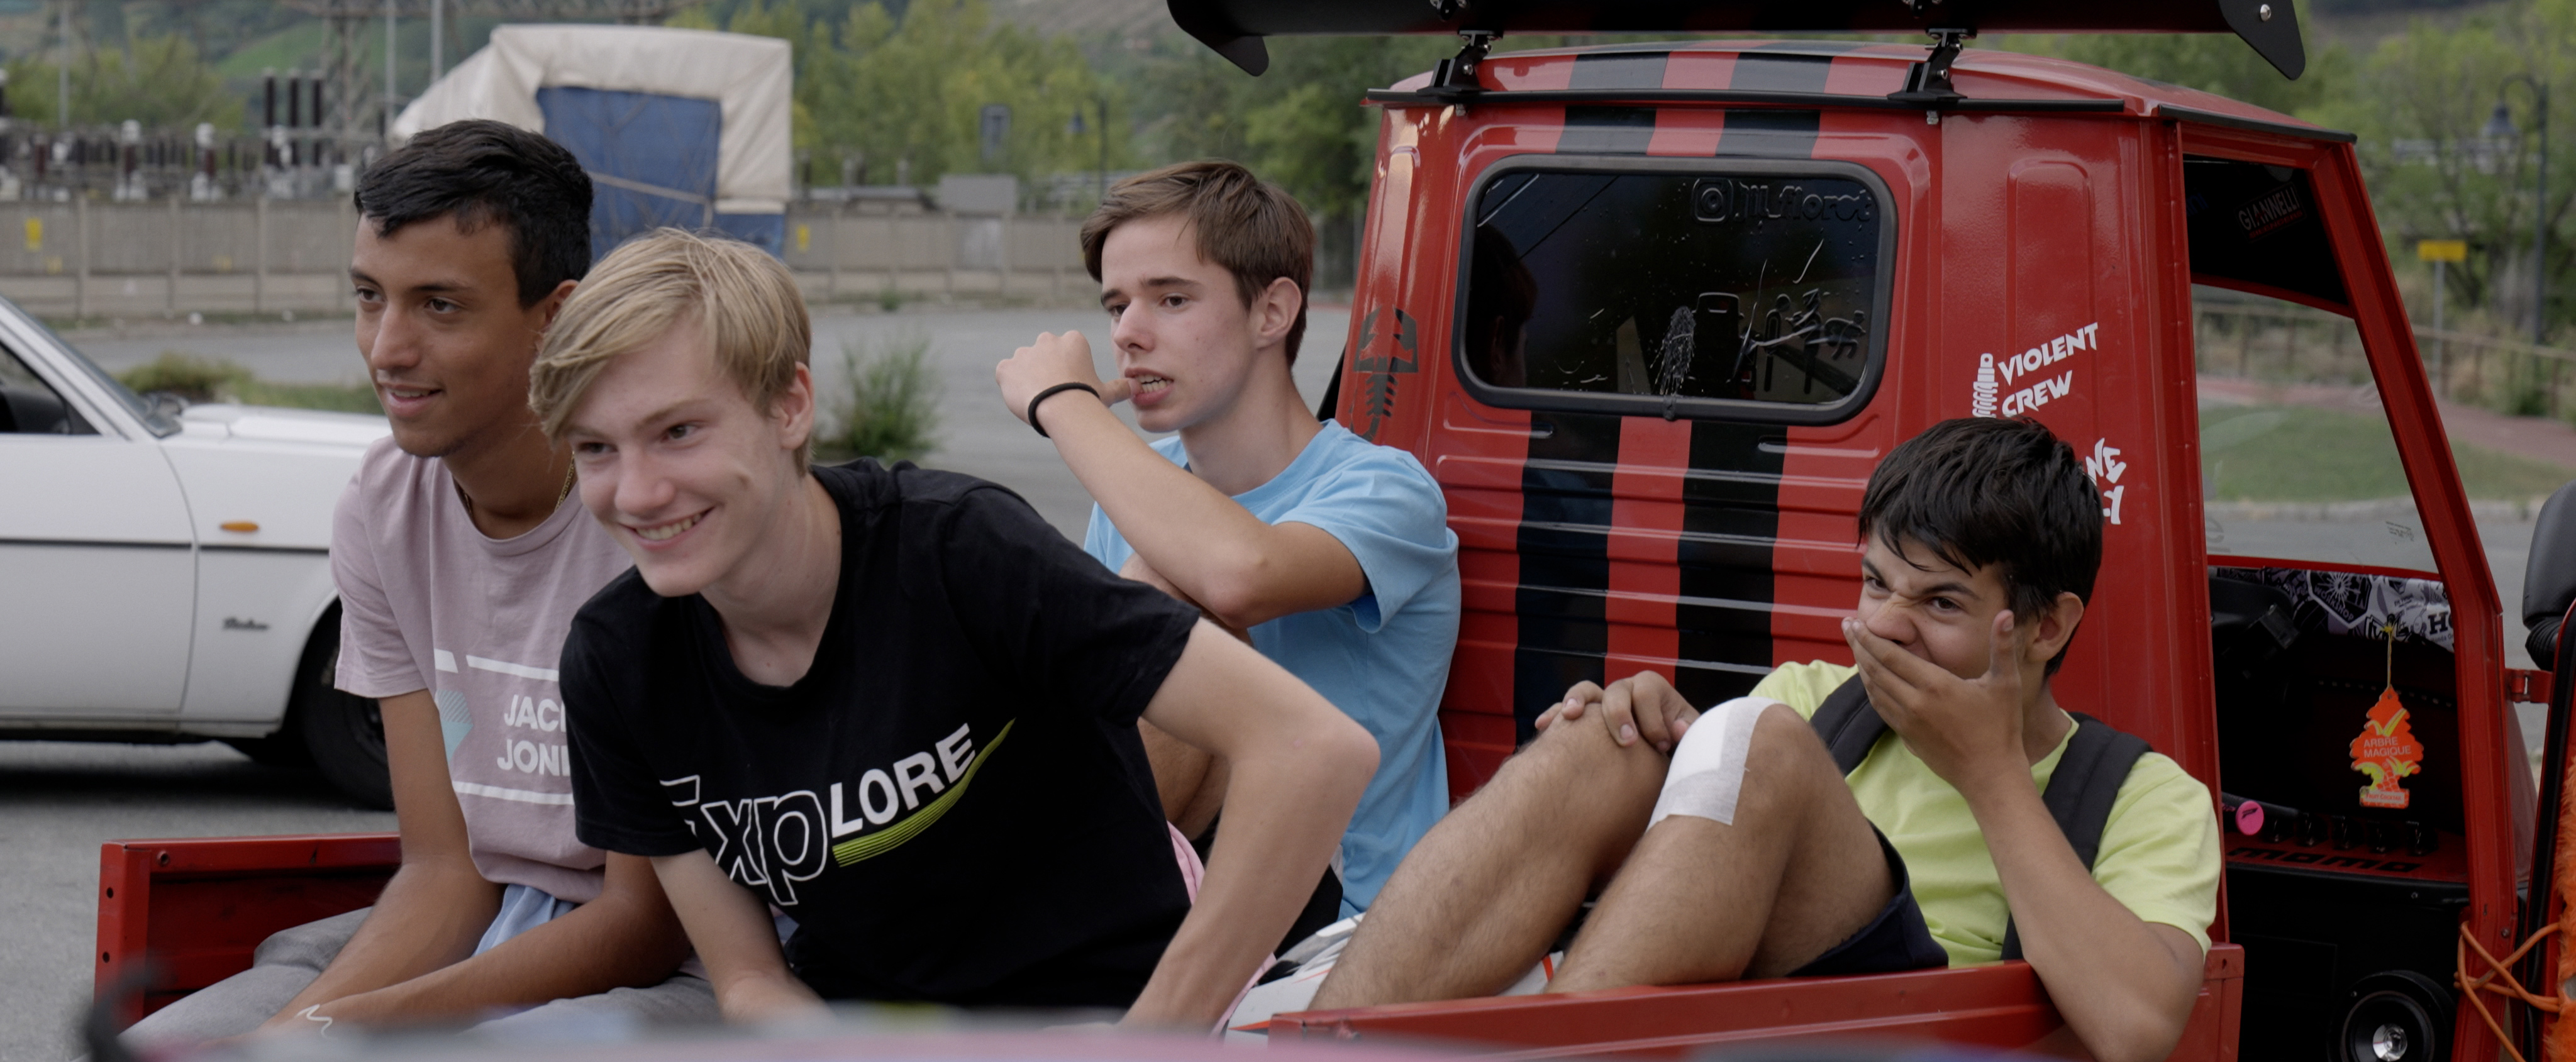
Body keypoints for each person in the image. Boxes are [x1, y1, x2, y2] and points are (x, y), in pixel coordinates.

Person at [531, 228, 1377, 1027]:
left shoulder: (959, 552)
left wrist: (1156, 1039)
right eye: (595, 448)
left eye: (678, 432)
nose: (636, 493)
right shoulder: (617, 662)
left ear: (790, 406)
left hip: (1098, 1009)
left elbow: (1311, 748)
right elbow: (750, 980)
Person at [1262, 417, 2219, 1062]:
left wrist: (1991, 775)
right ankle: (1328, 1052)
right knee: (1608, 735)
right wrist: (1649, 743)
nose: (1884, 627)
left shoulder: (2144, 795)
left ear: (2047, 626)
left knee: (1756, 739)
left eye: (1940, 604)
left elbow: (2138, 1028)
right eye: (1876, 584)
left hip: (1920, 1038)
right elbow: (1694, 876)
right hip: (1754, 1019)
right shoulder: (1812, 698)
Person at [123, 121, 710, 1048]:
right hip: (495, 917)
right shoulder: (382, 507)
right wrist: (302, 1030)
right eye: (370, 297)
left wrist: (331, 1030)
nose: (387, 348)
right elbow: (445, 869)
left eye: (439, 306)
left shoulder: (649, 517)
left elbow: (643, 924)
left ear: (555, 318)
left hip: (683, 960)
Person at [992, 161, 1460, 922]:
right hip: (1181, 891)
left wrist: (1064, 405)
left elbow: (1241, 576)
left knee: (1166, 589)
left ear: (1271, 312)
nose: (1127, 333)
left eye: (1171, 299)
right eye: (1116, 305)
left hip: (1342, 922)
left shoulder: (1386, 489)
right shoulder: (1137, 493)